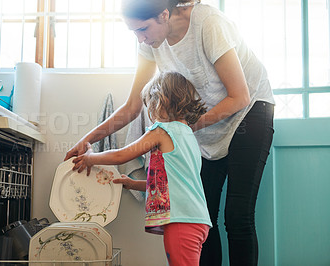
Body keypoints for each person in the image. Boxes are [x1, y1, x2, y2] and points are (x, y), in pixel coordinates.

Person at [65, 0, 275, 265]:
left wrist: (182, 129)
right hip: (202, 124)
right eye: (134, 33)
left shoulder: (208, 24)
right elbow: (132, 106)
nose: (140, 38)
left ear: (164, 14)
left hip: (249, 112)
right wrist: (86, 140)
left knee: (237, 215)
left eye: (143, 29)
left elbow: (239, 97)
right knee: (205, 216)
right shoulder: (149, 43)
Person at [72, 71, 212, 265]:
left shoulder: (162, 131)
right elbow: (169, 183)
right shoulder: (188, 135)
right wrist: (133, 183)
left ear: (159, 101)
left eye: (149, 106)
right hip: (197, 220)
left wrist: (91, 158)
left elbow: (123, 154)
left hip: (181, 221)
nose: (150, 114)